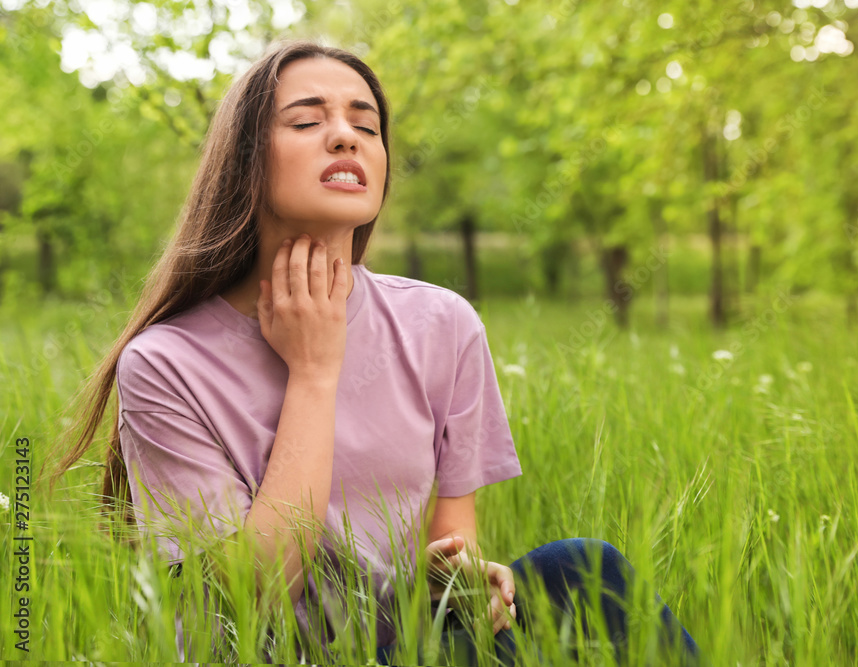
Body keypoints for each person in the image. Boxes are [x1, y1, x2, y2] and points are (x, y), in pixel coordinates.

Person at [53, 39, 698, 665]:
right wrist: (312, 371)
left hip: (405, 645)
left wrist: (464, 579)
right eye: (307, 120)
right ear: (244, 159)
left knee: (582, 569)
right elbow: (250, 600)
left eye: (367, 125)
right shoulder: (165, 364)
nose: (346, 136)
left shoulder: (441, 324)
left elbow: (450, 548)